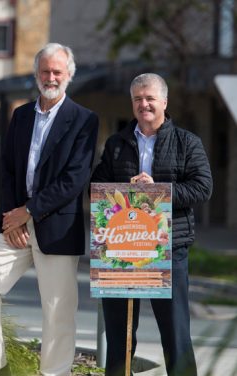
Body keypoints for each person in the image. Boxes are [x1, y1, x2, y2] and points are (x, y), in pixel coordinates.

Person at [0, 43, 99, 376]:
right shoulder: (21, 115)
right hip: (16, 225)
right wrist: (13, 216)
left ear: (69, 75)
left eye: (57, 72)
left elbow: (75, 179)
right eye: (45, 71)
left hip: (56, 227)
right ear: (36, 74)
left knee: (58, 310)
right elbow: (7, 168)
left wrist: (30, 210)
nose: (51, 77)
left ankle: (53, 373)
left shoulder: (84, 120)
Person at [91, 73, 212, 376]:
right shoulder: (117, 143)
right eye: (137, 99)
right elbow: (98, 185)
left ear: (164, 102)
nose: (143, 104)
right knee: (119, 336)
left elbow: (202, 188)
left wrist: (158, 190)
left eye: (149, 98)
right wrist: (126, 192)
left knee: (175, 334)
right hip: (120, 250)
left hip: (168, 250)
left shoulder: (187, 142)